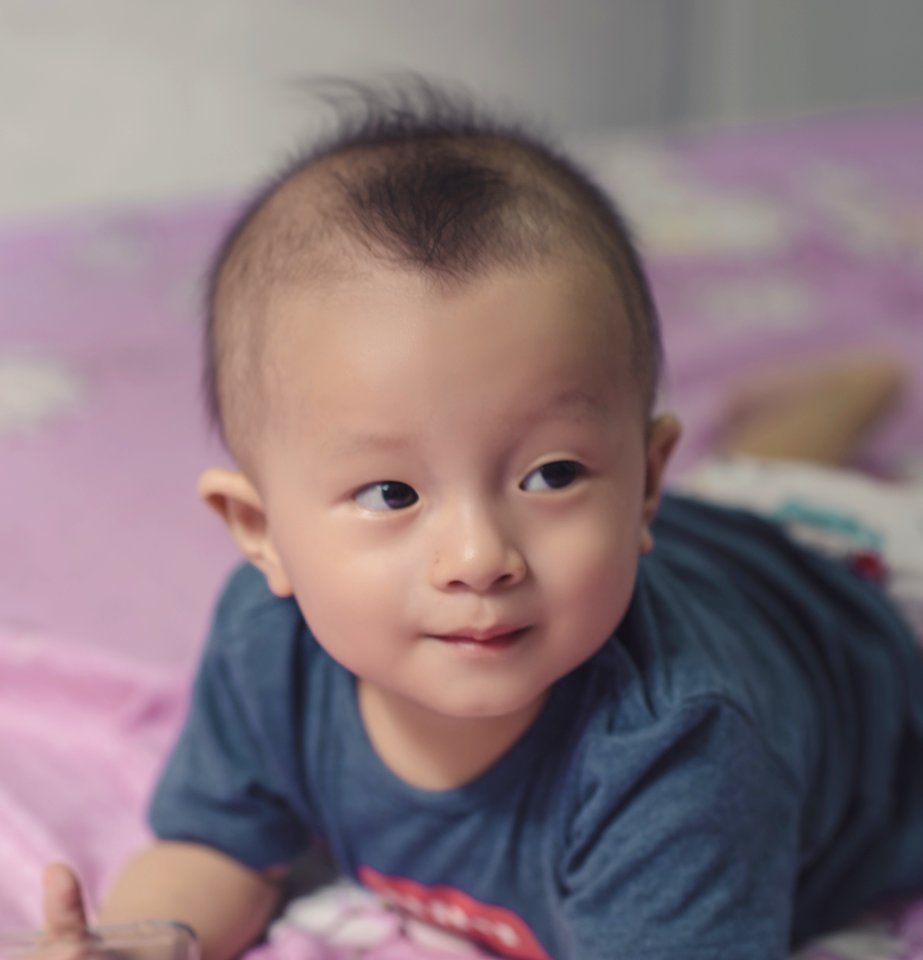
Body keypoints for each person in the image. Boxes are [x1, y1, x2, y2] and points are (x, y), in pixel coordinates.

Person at [39, 80, 923, 960]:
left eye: (551, 474)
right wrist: (140, 944)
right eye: (391, 494)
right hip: (722, 543)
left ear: (645, 484)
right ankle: (828, 402)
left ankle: (838, 402)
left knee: (770, 498)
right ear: (260, 531)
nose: (478, 556)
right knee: (745, 486)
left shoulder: (676, 756)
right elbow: (215, 845)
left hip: (876, 614)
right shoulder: (267, 643)